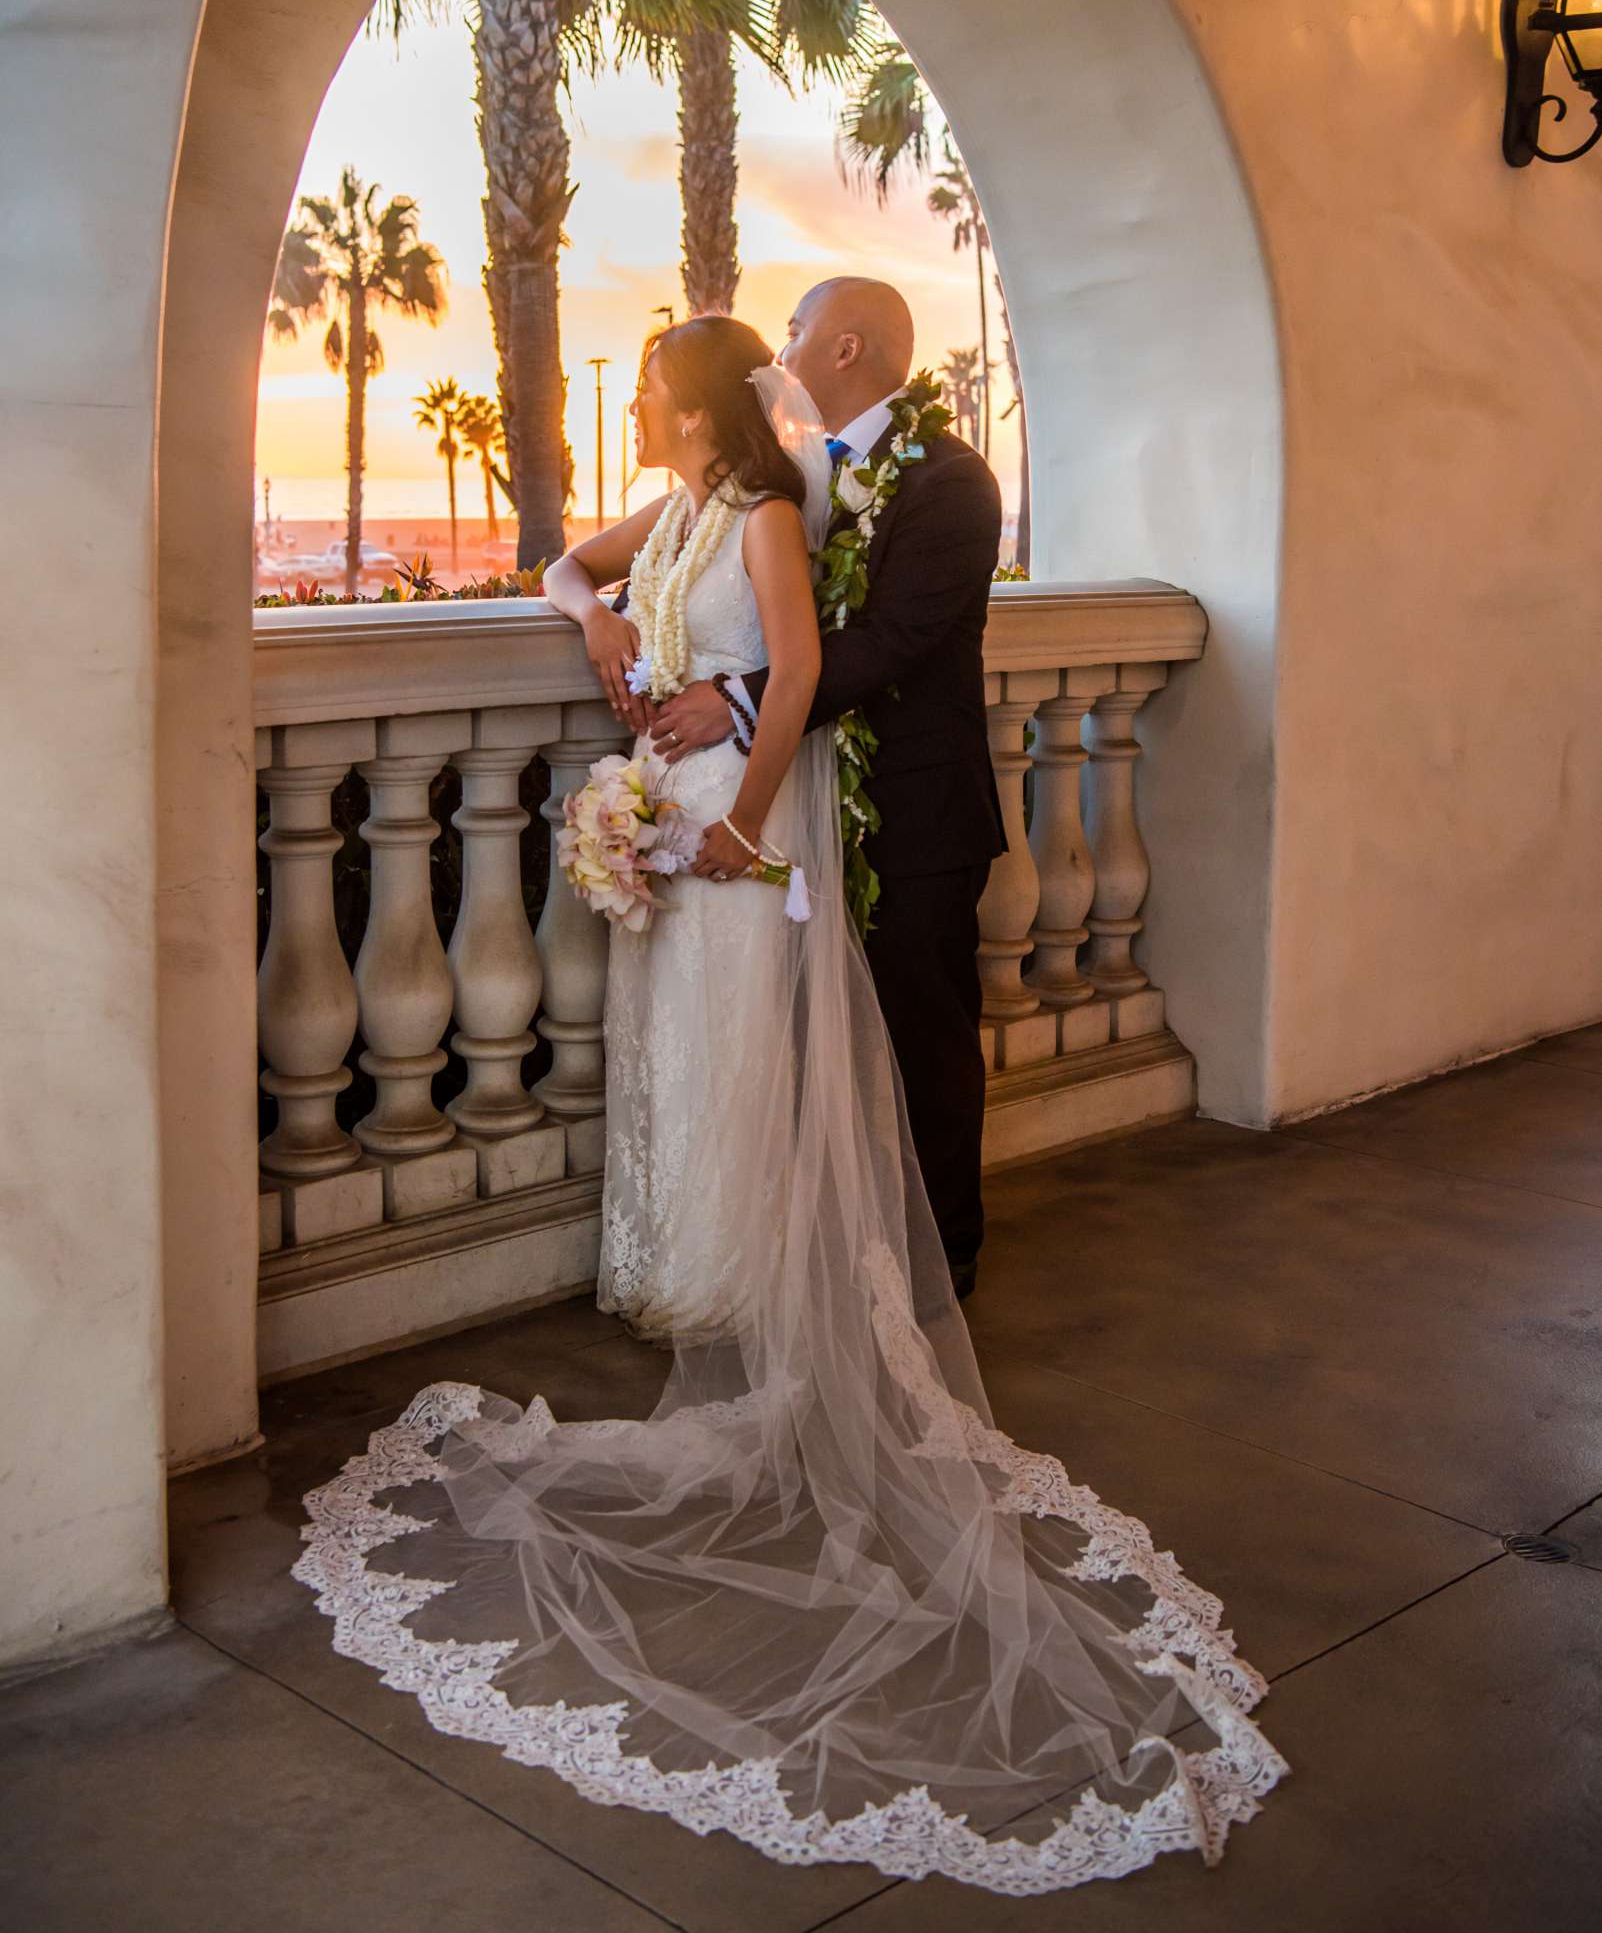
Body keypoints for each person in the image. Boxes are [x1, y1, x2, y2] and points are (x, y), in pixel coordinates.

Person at [296, 315, 1285, 1895]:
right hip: (685, 804)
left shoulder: (816, 503)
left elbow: (833, 656)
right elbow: (576, 568)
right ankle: (705, 1253)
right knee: (691, 1052)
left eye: (650, 387)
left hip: (776, 817)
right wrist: (594, 631)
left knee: (836, 1041)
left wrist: (743, 790)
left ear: (711, 397)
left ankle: (847, 1272)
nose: (635, 403)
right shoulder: (708, 502)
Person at [650, 278, 1003, 1297]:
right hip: (817, 805)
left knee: (924, 1030)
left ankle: (948, 1254)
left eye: (798, 327)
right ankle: (848, 1236)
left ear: (845, 349)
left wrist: (743, 700)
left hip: (919, 810)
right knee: (824, 1032)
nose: (784, 343)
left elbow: (890, 639)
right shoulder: (803, 477)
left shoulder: (950, 481)